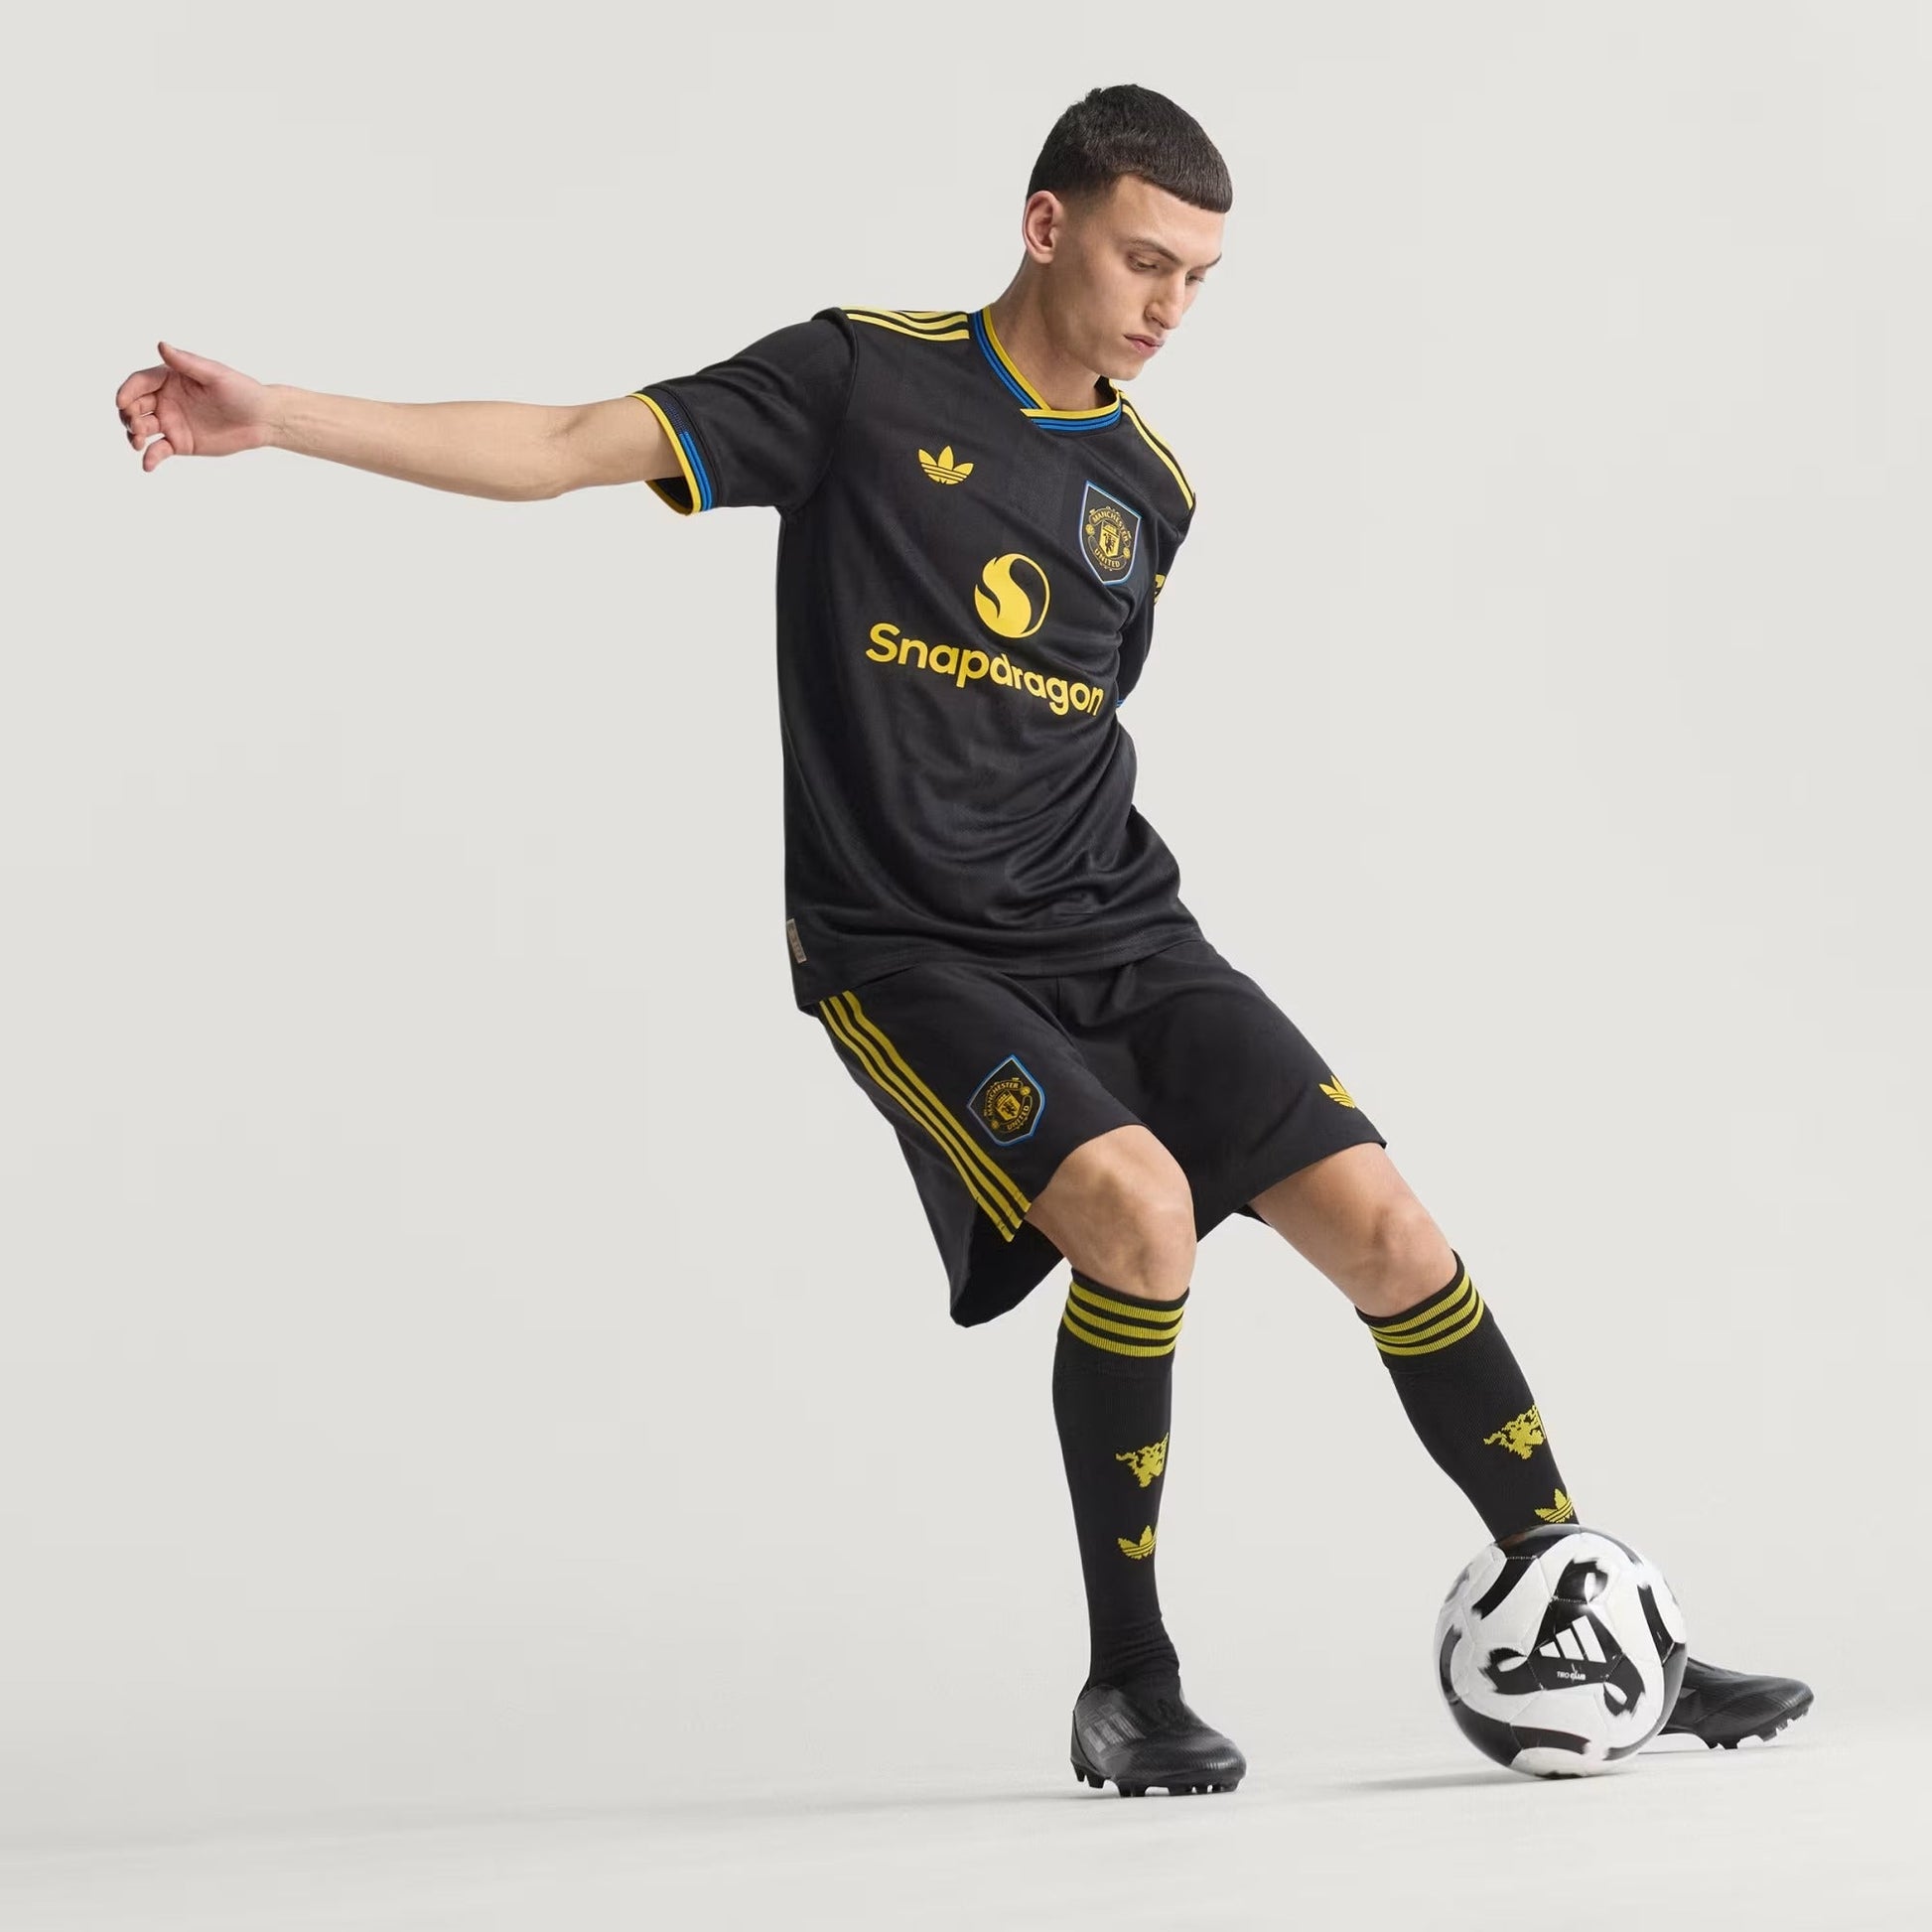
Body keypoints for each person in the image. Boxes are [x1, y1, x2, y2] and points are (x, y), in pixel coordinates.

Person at [114, 82, 1810, 1797]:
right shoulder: (858, 379)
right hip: (906, 950)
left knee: (1392, 1229)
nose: (1168, 306)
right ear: (1045, 223)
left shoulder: (1149, 488)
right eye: (1144, 260)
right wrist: (279, 418)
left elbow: (1071, 726)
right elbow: (561, 443)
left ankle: (1606, 1625)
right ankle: (1128, 1683)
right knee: (1139, 1214)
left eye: (1199, 278)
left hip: (1124, 928)